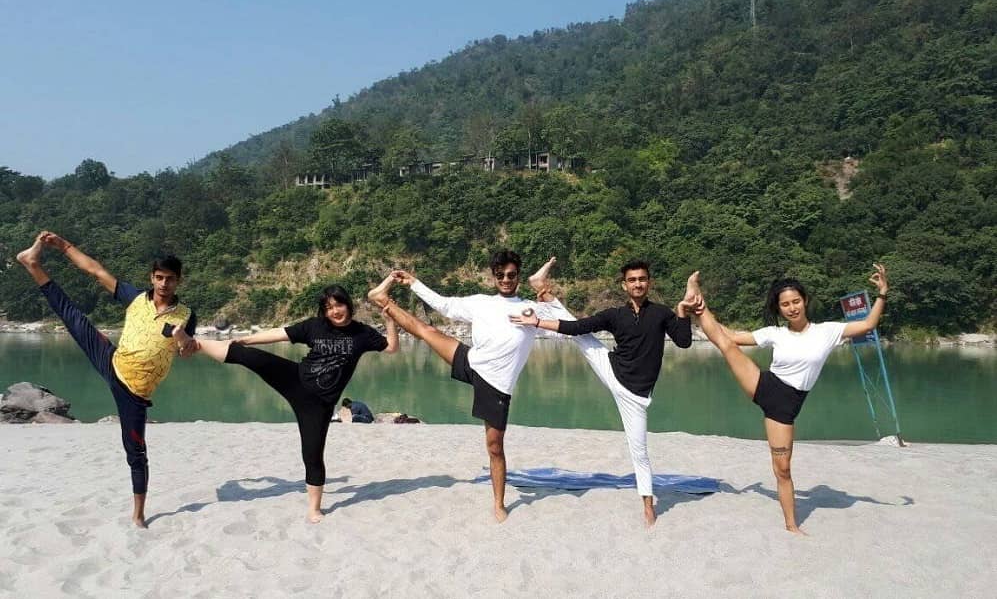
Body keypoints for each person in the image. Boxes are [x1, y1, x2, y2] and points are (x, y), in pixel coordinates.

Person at [16, 231, 197, 528]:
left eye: (170, 279)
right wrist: (63, 245)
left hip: (135, 393)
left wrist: (183, 338)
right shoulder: (136, 298)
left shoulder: (186, 315)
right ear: (152, 277)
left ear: (179, 281)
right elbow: (95, 270)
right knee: (72, 316)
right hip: (112, 362)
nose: (164, 284)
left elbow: (189, 350)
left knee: (136, 451)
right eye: (159, 277)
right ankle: (33, 264)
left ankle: (138, 514)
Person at [691, 264, 890, 534]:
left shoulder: (827, 331)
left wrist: (882, 294)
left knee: (782, 468)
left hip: (787, 406)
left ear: (805, 300)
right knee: (726, 345)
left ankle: (790, 525)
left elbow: (868, 324)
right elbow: (731, 336)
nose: (792, 307)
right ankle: (696, 298)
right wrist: (704, 312)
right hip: (766, 386)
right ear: (779, 308)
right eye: (785, 304)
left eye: (796, 301)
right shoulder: (776, 333)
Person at [367, 250, 557, 523]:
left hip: (497, 385)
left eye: (511, 275)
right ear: (493, 277)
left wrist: (546, 296)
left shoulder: (531, 309)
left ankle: (498, 503)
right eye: (500, 275)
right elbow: (443, 306)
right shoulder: (480, 303)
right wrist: (414, 282)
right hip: (472, 361)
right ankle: (382, 299)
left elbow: (570, 324)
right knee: (427, 331)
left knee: (494, 447)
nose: (506, 279)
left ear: (518, 277)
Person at [182, 284, 398, 523]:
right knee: (249, 356)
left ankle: (314, 509)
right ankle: (196, 344)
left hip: (319, 405)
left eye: (338, 305)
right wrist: (247, 340)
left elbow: (391, 347)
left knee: (313, 455)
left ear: (348, 304)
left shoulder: (362, 333)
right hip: (295, 379)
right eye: (328, 308)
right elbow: (280, 333)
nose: (335, 311)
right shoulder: (314, 326)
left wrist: (389, 321)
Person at [510, 258, 698, 527]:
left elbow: (684, 341)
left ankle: (647, 503)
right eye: (632, 280)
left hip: (637, 396)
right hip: (611, 369)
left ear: (649, 282)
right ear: (624, 285)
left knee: (640, 452)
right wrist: (537, 322)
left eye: (642, 279)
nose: (638, 284)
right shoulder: (614, 315)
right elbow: (574, 327)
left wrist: (682, 309)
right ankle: (542, 288)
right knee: (582, 336)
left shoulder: (662, 314)